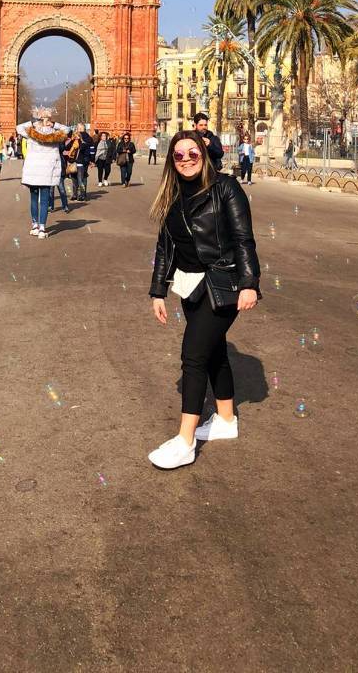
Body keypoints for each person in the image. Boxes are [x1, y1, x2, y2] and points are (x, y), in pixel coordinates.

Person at [147, 130, 260, 469]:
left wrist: (249, 283)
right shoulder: (170, 196)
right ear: (171, 161)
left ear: (205, 154)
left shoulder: (226, 187)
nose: (186, 160)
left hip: (223, 284)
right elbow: (165, 247)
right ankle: (226, 420)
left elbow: (243, 239)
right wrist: (158, 291)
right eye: (179, 155)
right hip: (190, 285)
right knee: (213, 353)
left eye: (192, 153)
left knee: (193, 356)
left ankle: (185, 441)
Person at [17, 110, 70, 238]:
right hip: (48, 172)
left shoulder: (31, 133)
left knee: (34, 199)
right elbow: (67, 129)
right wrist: (54, 124)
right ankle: (42, 228)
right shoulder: (56, 135)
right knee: (44, 200)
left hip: (33, 172)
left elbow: (19, 128)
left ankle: (34, 225)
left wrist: (34, 122)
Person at [63, 130, 83, 200]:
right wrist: (71, 140)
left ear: (80, 136)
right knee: (74, 180)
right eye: (74, 135)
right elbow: (66, 148)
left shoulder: (82, 143)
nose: (76, 136)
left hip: (79, 163)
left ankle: (81, 195)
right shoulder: (72, 142)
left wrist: (79, 140)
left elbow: (82, 149)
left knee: (80, 180)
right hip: (72, 162)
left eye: (77, 135)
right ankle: (75, 195)